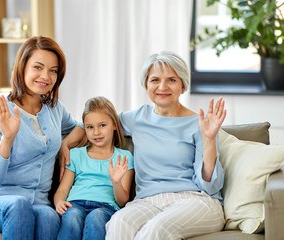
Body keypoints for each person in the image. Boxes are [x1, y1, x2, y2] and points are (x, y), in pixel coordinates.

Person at [60, 51, 227, 240]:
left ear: (182, 85)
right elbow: (94, 124)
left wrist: (209, 139)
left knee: (155, 230)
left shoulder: (200, 124)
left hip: (195, 201)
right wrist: (65, 144)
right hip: (147, 201)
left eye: (171, 80)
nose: (162, 87)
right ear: (146, 85)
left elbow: (210, 185)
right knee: (118, 224)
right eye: (155, 80)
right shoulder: (138, 118)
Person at [0, 36, 83, 240]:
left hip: (37, 203)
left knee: (48, 215)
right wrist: (7, 138)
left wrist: (65, 144)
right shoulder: (0, 116)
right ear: (22, 67)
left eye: (53, 70)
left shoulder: (55, 109)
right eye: (38, 67)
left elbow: (81, 127)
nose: (46, 76)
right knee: (19, 205)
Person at [55, 96, 135, 240]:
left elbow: (123, 201)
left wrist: (116, 182)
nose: (96, 132)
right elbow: (62, 190)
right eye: (90, 127)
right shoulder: (76, 154)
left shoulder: (124, 157)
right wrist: (59, 202)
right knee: (72, 216)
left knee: (96, 217)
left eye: (102, 125)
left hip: (106, 208)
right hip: (75, 204)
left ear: (115, 125)